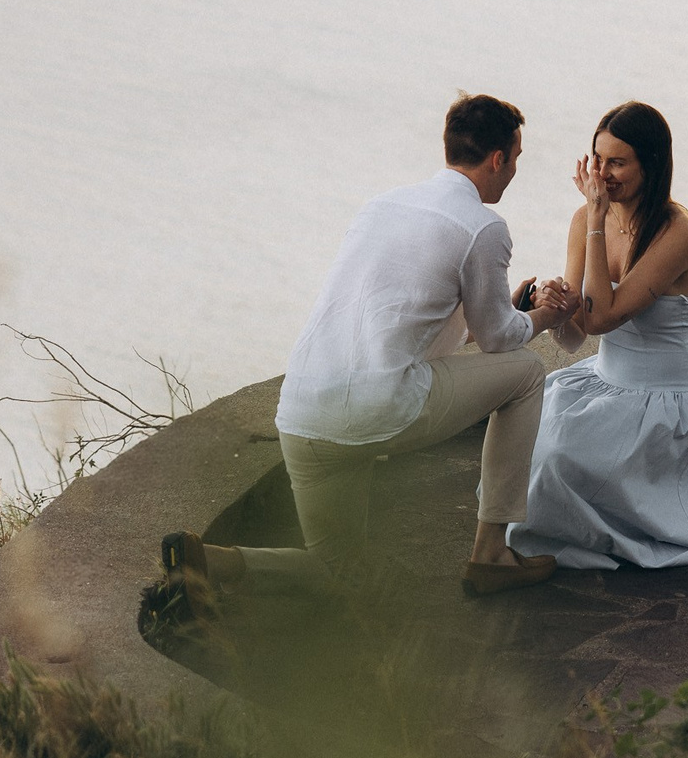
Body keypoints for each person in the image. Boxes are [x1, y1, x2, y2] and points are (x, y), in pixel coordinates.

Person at [160, 93, 582, 599]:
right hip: (377, 410)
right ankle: (491, 553)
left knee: (335, 567)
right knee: (527, 372)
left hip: (302, 411)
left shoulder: (383, 205)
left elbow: (408, 318)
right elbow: (499, 340)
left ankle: (210, 562)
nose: (513, 172)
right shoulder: (484, 227)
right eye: (515, 159)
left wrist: (507, 310)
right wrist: (544, 315)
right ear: (498, 158)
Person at [509, 102, 688, 571]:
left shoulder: (677, 232)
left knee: (557, 459)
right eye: (597, 159)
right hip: (603, 383)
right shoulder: (584, 219)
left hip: (668, 402)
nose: (602, 174)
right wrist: (557, 304)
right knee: (523, 445)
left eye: (617, 162)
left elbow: (605, 318)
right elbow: (578, 337)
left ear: (652, 164)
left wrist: (597, 221)